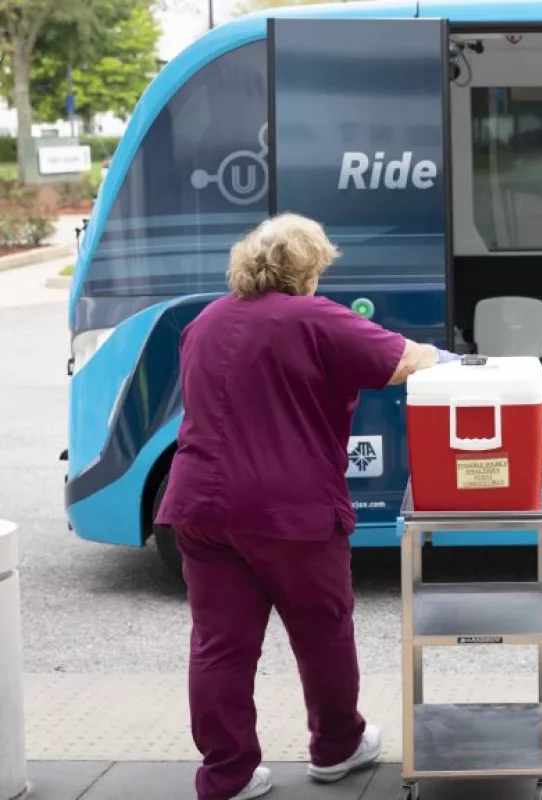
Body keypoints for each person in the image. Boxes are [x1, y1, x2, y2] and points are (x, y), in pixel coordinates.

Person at [155, 213, 458, 800]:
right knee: (322, 631)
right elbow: (401, 360)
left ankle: (226, 775)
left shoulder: (206, 321)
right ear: (307, 268)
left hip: (200, 506)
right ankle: (336, 746)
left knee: (219, 644)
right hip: (288, 509)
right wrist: (442, 357)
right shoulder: (312, 317)